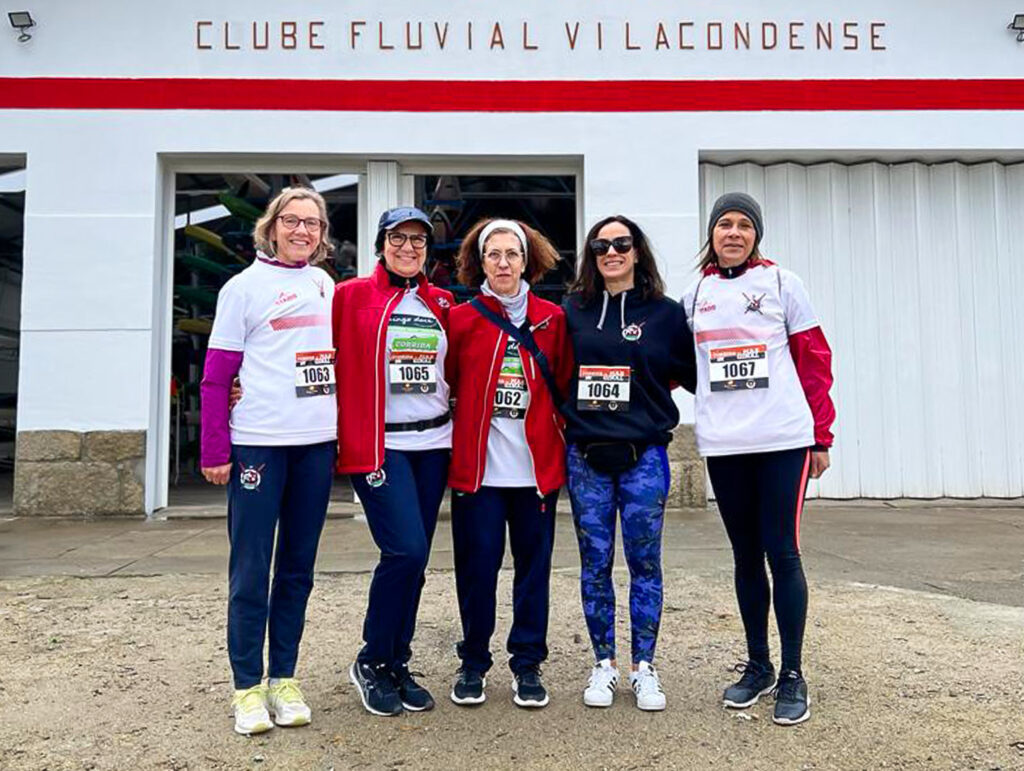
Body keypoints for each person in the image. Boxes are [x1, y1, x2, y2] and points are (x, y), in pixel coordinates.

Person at [681, 192, 836, 726]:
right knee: (745, 557)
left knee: (783, 554)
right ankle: (759, 666)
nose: (734, 233)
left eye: (744, 225)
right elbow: (683, 363)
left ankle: (793, 673)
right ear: (712, 233)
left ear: (756, 236)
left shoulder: (782, 284)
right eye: (725, 223)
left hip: (783, 441)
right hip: (725, 444)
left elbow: (815, 358)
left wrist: (822, 435)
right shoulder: (693, 293)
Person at [199, 187, 337, 735]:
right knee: (251, 570)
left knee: (298, 569)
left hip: (316, 445)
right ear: (272, 226)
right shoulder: (242, 289)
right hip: (259, 442)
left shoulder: (326, 285)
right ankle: (247, 688)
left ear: (323, 234)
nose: (303, 231)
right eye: (293, 221)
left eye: (314, 223)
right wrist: (215, 450)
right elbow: (215, 376)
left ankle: (284, 677)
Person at [561, 215, 696, 711]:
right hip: (587, 460)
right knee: (595, 565)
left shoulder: (666, 314)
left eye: (622, 243)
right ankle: (603, 665)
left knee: (645, 565)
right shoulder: (572, 310)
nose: (611, 252)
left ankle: (645, 667)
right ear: (591, 255)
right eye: (601, 245)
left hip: (644, 459)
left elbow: (690, 372)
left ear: (638, 251)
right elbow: (556, 375)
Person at [333, 207, 455, 716]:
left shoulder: (442, 302)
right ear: (381, 243)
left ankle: (396, 661)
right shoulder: (350, 296)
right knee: (403, 550)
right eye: (398, 238)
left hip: (433, 445)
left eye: (419, 240)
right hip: (380, 445)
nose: (409, 247)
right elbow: (308, 349)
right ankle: (371, 659)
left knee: (417, 560)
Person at [445, 218, 570, 709]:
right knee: (477, 569)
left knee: (533, 569)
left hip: (536, 471)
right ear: (480, 261)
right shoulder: (461, 318)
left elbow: (563, 380)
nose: (502, 263)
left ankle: (527, 663)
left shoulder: (552, 319)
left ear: (526, 261)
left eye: (511, 255)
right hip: (479, 471)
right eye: (492, 254)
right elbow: (449, 380)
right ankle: (474, 660)